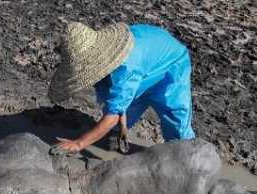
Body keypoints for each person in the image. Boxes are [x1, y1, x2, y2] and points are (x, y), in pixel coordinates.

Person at [49, 22, 195, 153]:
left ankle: (188, 158)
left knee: (176, 123)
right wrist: (123, 125)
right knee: (121, 117)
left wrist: (79, 144)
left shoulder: (125, 67)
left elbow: (113, 115)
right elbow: (119, 104)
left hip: (172, 67)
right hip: (145, 66)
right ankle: (114, 148)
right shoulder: (111, 61)